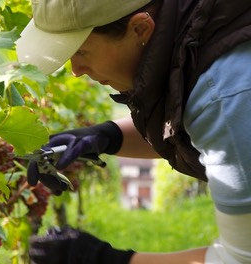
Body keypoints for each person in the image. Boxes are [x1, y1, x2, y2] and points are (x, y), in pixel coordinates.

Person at [16, 0, 251, 263]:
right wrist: (107, 136)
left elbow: (240, 259)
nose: (75, 71)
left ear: (140, 28)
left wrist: (104, 259)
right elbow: (195, 128)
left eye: (81, 52)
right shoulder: (198, 37)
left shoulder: (226, 95)